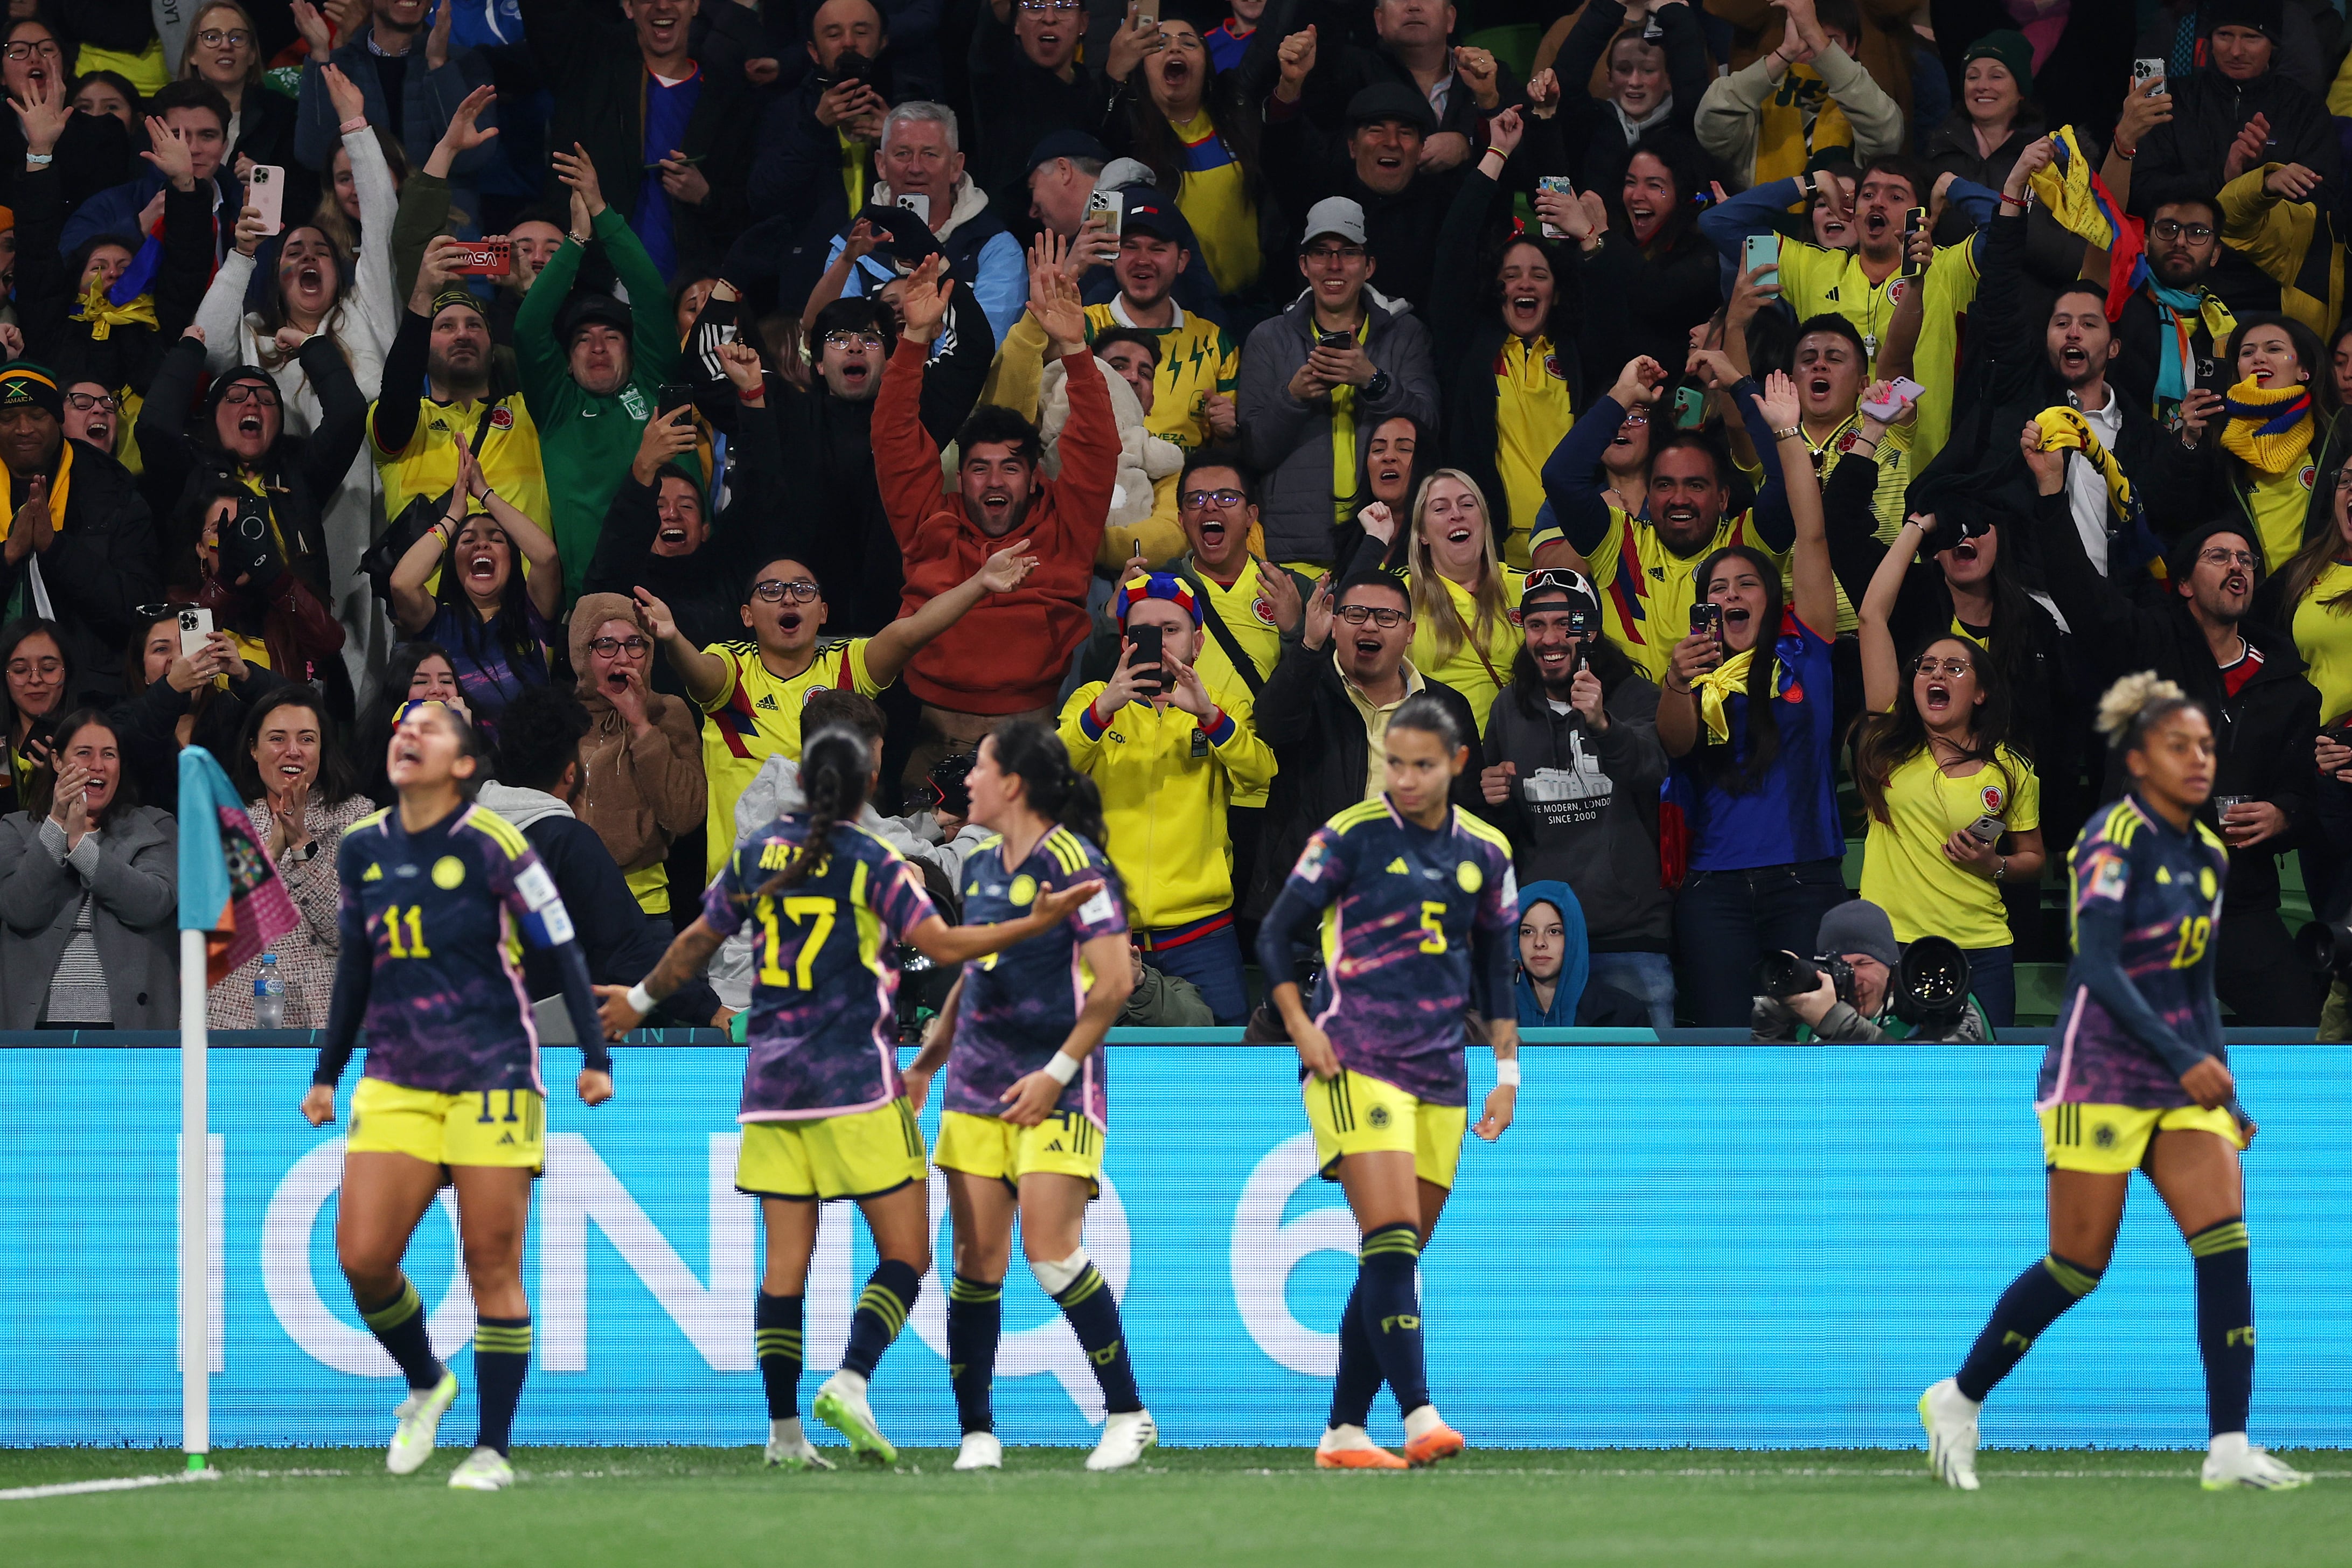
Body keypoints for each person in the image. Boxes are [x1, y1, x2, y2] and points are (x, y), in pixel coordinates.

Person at [595, 724, 1105, 1467]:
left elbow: (694, 943)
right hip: (857, 1085)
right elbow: (948, 945)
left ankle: (784, 1433)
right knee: (907, 1254)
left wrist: (639, 999)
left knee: (783, 1272)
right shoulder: (875, 860)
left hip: (770, 1087)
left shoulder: (755, 854)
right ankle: (853, 1375)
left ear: (802, 782)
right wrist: (1040, 919)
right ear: (868, 785)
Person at [1919, 672, 2308, 1494]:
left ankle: (2229, 1441)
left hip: (2177, 1080)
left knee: (2225, 1242)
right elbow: (2094, 962)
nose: (2199, 759)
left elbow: (2193, 984)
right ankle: (1958, 1395)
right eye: (2180, 745)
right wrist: (2182, 1060)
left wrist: (2221, 1086)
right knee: (2076, 1264)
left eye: (2206, 745)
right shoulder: (2111, 837)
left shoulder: (2206, 853)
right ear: (2137, 759)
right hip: (2096, 1072)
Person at [299, 698, 609, 1492]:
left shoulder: (499, 842)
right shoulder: (361, 845)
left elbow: (564, 947)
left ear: (464, 763)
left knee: (490, 1263)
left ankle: (492, 1447)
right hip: (396, 1078)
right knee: (364, 1257)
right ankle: (425, 1376)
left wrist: (594, 1053)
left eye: (429, 727)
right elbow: (359, 966)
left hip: (494, 1074)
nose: (410, 731)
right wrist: (328, 1071)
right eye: (403, 722)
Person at [1256, 691, 1519, 1471]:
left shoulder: (1487, 851)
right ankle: (1419, 1413)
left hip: (1441, 1070)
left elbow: (1497, 976)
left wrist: (1508, 1074)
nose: (1404, 780)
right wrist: (1301, 1026)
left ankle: (1341, 1429)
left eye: (1421, 766)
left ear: (1456, 765)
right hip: (1350, 1055)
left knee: (1392, 1256)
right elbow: (1275, 933)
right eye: (1393, 764)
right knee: (1392, 1233)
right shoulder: (1349, 834)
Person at [900, 720, 1157, 1472]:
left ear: (1012, 782)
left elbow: (1116, 982)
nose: (965, 782)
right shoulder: (979, 868)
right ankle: (976, 1431)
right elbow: (973, 978)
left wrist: (1055, 1071)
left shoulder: (1077, 862)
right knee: (976, 1261)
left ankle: (1126, 1411)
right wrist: (926, 1060)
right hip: (976, 1084)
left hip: (1059, 1090)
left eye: (977, 768)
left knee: (1049, 1253)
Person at [2031, 423, 2323, 1027]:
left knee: (2300, 1027)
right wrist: (2049, 494)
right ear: (2186, 582)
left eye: (2245, 559)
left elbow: (2301, 791)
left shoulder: (2289, 690)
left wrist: (2282, 814)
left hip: (2237, 902)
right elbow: (2079, 593)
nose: (2236, 565)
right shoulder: (2149, 646)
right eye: (2219, 556)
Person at [649, 538, 1037, 882]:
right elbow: (697, 673)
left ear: (823, 612)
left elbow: (912, 631)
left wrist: (980, 583)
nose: (788, 598)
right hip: (748, 884)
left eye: (803, 590)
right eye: (770, 590)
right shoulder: (731, 670)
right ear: (747, 615)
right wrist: (672, 640)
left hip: (839, 874)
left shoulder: (847, 664)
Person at [875, 249, 1117, 780]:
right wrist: (914, 341)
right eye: (979, 468)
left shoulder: (1065, 527)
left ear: (1035, 478)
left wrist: (1076, 349)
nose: (994, 481)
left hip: (1030, 738)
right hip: (926, 736)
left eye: (1011, 468)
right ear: (960, 480)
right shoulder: (928, 523)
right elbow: (894, 442)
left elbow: (1097, 450)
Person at [1656, 371, 1841, 1028]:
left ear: (1774, 599)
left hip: (1803, 880)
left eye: (1747, 583)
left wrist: (1788, 435)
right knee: (1724, 1048)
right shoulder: (1696, 669)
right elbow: (1675, 744)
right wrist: (1678, 682)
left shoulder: (1806, 648)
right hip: (1714, 889)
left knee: (1811, 1045)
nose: (1732, 595)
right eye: (1719, 588)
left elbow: (1812, 537)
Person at [1060, 570, 1274, 1026]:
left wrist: (1211, 717)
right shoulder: (1093, 699)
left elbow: (1260, 776)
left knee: (1224, 1068)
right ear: (1125, 645)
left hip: (1202, 931)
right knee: (1096, 1068)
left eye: (1171, 630)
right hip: (1106, 928)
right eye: (1144, 633)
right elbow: (1051, 773)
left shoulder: (1224, 707)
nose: (1158, 642)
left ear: (1198, 642)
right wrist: (1103, 711)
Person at [1853, 520, 2045, 1026]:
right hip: (1890, 948)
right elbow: (1872, 615)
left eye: (1954, 667)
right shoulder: (1884, 746)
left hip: (1981, 950)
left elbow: (2032, 858)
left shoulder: (2011, 769)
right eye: (1927, 666)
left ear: (1981, 692)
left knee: (1983, 1095)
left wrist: (1993, 866)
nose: (1937, 673)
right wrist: (1918, 527)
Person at [1477, 567, 1672, 1029]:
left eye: (1566, 624)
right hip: (1543, 945)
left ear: (1592, 631)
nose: (1551, 639)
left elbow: (1652, 770)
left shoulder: (1635, 696)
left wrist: (1603, 724)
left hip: (1629, 935)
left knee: (1649, 1091)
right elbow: (1506, 834)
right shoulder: (1508, 708)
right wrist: (1494, 801)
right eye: (1536, 625)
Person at [1532, 352, 1793, 684]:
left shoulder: (1749, 544)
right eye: (1665, 485)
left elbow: (1789, 482)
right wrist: (1622, 395)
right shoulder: (1619, 542)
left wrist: (1740, 386)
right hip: (1636, 728)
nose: (1679, 498)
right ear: (1650, 495)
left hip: (1739, 721)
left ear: (1723, 497)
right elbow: (1559, 476)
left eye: (1696, 485)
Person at [475, 685, 725, 1029]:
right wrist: (710, 1011)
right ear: (570, 773)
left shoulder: (458, 836)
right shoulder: (569, 843)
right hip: (548, 1053)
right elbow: (630, 955)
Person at [1247, 569, 1481, 918]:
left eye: (1387, 617)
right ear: (1335, 625)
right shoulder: (1308, 686)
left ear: (1410, 633)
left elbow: (1467, 810)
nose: (1369, 626)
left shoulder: (1446, 707)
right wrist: (1310, 645)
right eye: (1355, 614)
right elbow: (1272, 728)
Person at [513, 143, 680, 602]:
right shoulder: (557, 406)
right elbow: (529, 328)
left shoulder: (654, 386)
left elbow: (648, 294)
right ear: (566, 360)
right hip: (587, 602)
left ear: (634, 347)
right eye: (582, 339)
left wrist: (603, 212)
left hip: (674, 595)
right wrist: (575, 241)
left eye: (612, 335)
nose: (599, 347)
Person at [1237, 197, 1438, 573]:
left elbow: (1428, 429)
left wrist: (1373, 381)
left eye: (1348, 252)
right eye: (1321, 253)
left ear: (1369, 266)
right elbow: (1254, 453)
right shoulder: (1268, 339)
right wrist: (1293, 398)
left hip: (1389, 544)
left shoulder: (1405, 334)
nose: (1333, 266)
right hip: (1296, 550)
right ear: (1303, 265)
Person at [1428, 109, 1585, 569]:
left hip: (1573, 550)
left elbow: (1565, 243)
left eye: (1539, 275)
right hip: (1489, 558)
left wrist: (1550, 123)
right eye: (1511, 275)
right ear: (1497, 289)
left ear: (1556, 293)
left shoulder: (1576, 352)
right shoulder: (1472, 350)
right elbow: (1455, 246)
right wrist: (1496, 152)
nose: (1525, 285)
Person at [0, 706, 177, 1027]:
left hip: (130, 1030)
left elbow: (152, 904)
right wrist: (56, 824)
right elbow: (20, 909)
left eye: (109, 754)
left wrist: (80, 846)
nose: (98, 766)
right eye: (84, 753)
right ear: (57, 762)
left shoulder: (154, 826)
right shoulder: (15, 829)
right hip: (36, 1031)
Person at [212, 685, 374, 1027]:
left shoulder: (357, 819)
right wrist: (272, 848)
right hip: (232, 1017)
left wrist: (301, 842)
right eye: (277, 739)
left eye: (306, 739)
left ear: (321, 749)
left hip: (321, 1014)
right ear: (254, 749)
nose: (292, 751)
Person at [0, 363, 161, 697]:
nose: (23, 429)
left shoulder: (112, 486)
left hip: (93, 691)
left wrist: (56, 550)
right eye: (7, 419)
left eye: (37, 415)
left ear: (58, 419)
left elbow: (140, 608)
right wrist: (8, 555)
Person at [386, 434, 562, 727]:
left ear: (513, 560)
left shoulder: (530, 615)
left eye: (496, 540)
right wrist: (454, 515)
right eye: (468, 541)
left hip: (526, 769)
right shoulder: (437, 622)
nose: (482, 546)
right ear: (453, 563)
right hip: (453, 767)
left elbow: (546, 558)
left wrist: (484, 494)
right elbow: (401, 584)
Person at [818, 102, 1025, 350]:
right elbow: (838, 344)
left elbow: (984, 346)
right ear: (881, 164)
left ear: (956, 167)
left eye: (930, 154)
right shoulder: (850, 247)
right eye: (902, 154)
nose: (915, 168)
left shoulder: (996, 248)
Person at [1104, 16, 1267, 305]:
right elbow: (1095, 125)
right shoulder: (1126, 138)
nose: (1175, 49)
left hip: (1251, 302)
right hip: (1171, 308)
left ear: (1206, 64)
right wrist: (1114, 74)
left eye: (1189, 43)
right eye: (1160, 44)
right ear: (1142, 67)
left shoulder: (1235, 116)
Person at [566, 594, 705, 922]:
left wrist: (641, 726)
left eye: (635, 644)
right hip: (567, 904)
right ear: (581, 653)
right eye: (606, 645)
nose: (623, 658)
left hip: (643, 908)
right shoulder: (559, 717)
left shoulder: (667, 713)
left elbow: (685, 815)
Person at [1078, 189, 1239, 454]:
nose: (1143, 260)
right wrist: (1069, 274)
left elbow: (1225, 457)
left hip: (1185, 492)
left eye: (1157, 249)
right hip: (1108, 490)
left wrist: (1227, 435)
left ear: (1182, 261)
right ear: (1113, 255)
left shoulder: (1217, 343)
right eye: (1130, 247)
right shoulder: (1082, 327)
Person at [292, 0, 497, 192]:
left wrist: (438, 66)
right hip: (358, 215)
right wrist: (319, 55)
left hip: (446, 217)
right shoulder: (337, 65)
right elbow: (314, 157)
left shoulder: (465, 63)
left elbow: (471, 159)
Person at [1695, 0, 1899, 191]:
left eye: (1829, 41)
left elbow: (1886, 134)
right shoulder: (1757, 101)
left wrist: (1814, 35)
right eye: (1804, 42)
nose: (1812, 54)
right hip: (1762, 227)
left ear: (1852, 46)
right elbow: (1711, 123)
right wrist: (1786, 52)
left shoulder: (1864, 102)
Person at [1748, 896, 1992, 1042]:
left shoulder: (1942, 1001)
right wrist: (1773, 1027)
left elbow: (1937, 1086)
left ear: (1893, 969)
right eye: (1841, 966)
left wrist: (1837, 1023)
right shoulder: (1807, 1016)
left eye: (1864, 963)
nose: (1855, 978)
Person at [1548, 0, 1707, 192]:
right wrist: (1607, 8)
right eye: (1623, 70)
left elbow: (1692, 89)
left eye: (1648, 70)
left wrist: (1676, 16)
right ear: (1610, 78)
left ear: (1668, 80)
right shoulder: (1592, 123)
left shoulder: (1682, 128)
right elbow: (1567, 83)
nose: (1635, 81)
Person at [0, 617, 67, 814]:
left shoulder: (91, 741)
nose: (36, 679)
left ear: (67, 673)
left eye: (48, 669)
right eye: (20, 670)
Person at [1513, 878, 1589, 1027]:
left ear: (1573, 938)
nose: (1539, 943)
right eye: (1527, 932)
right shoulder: (1486, 1015)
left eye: (1554, 931)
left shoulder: (1619, 1014)